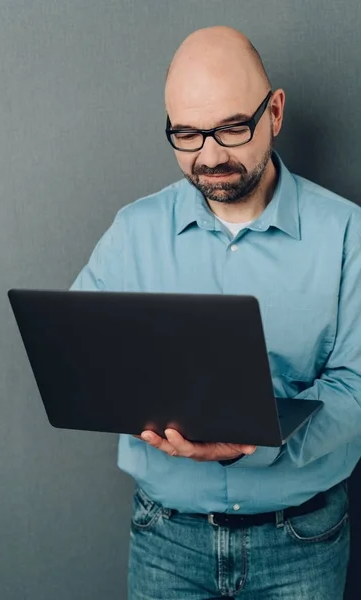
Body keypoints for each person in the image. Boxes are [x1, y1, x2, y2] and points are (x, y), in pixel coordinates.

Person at [71, 26, 361, 600]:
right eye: (186, 133)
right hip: (166, 541)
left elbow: (357, 387)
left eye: (232, 127)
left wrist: (256, 442)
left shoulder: (348, 234)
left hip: (301, 542)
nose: (209, 155)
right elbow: (79, 353)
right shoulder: (134, 232)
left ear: (274, 111)